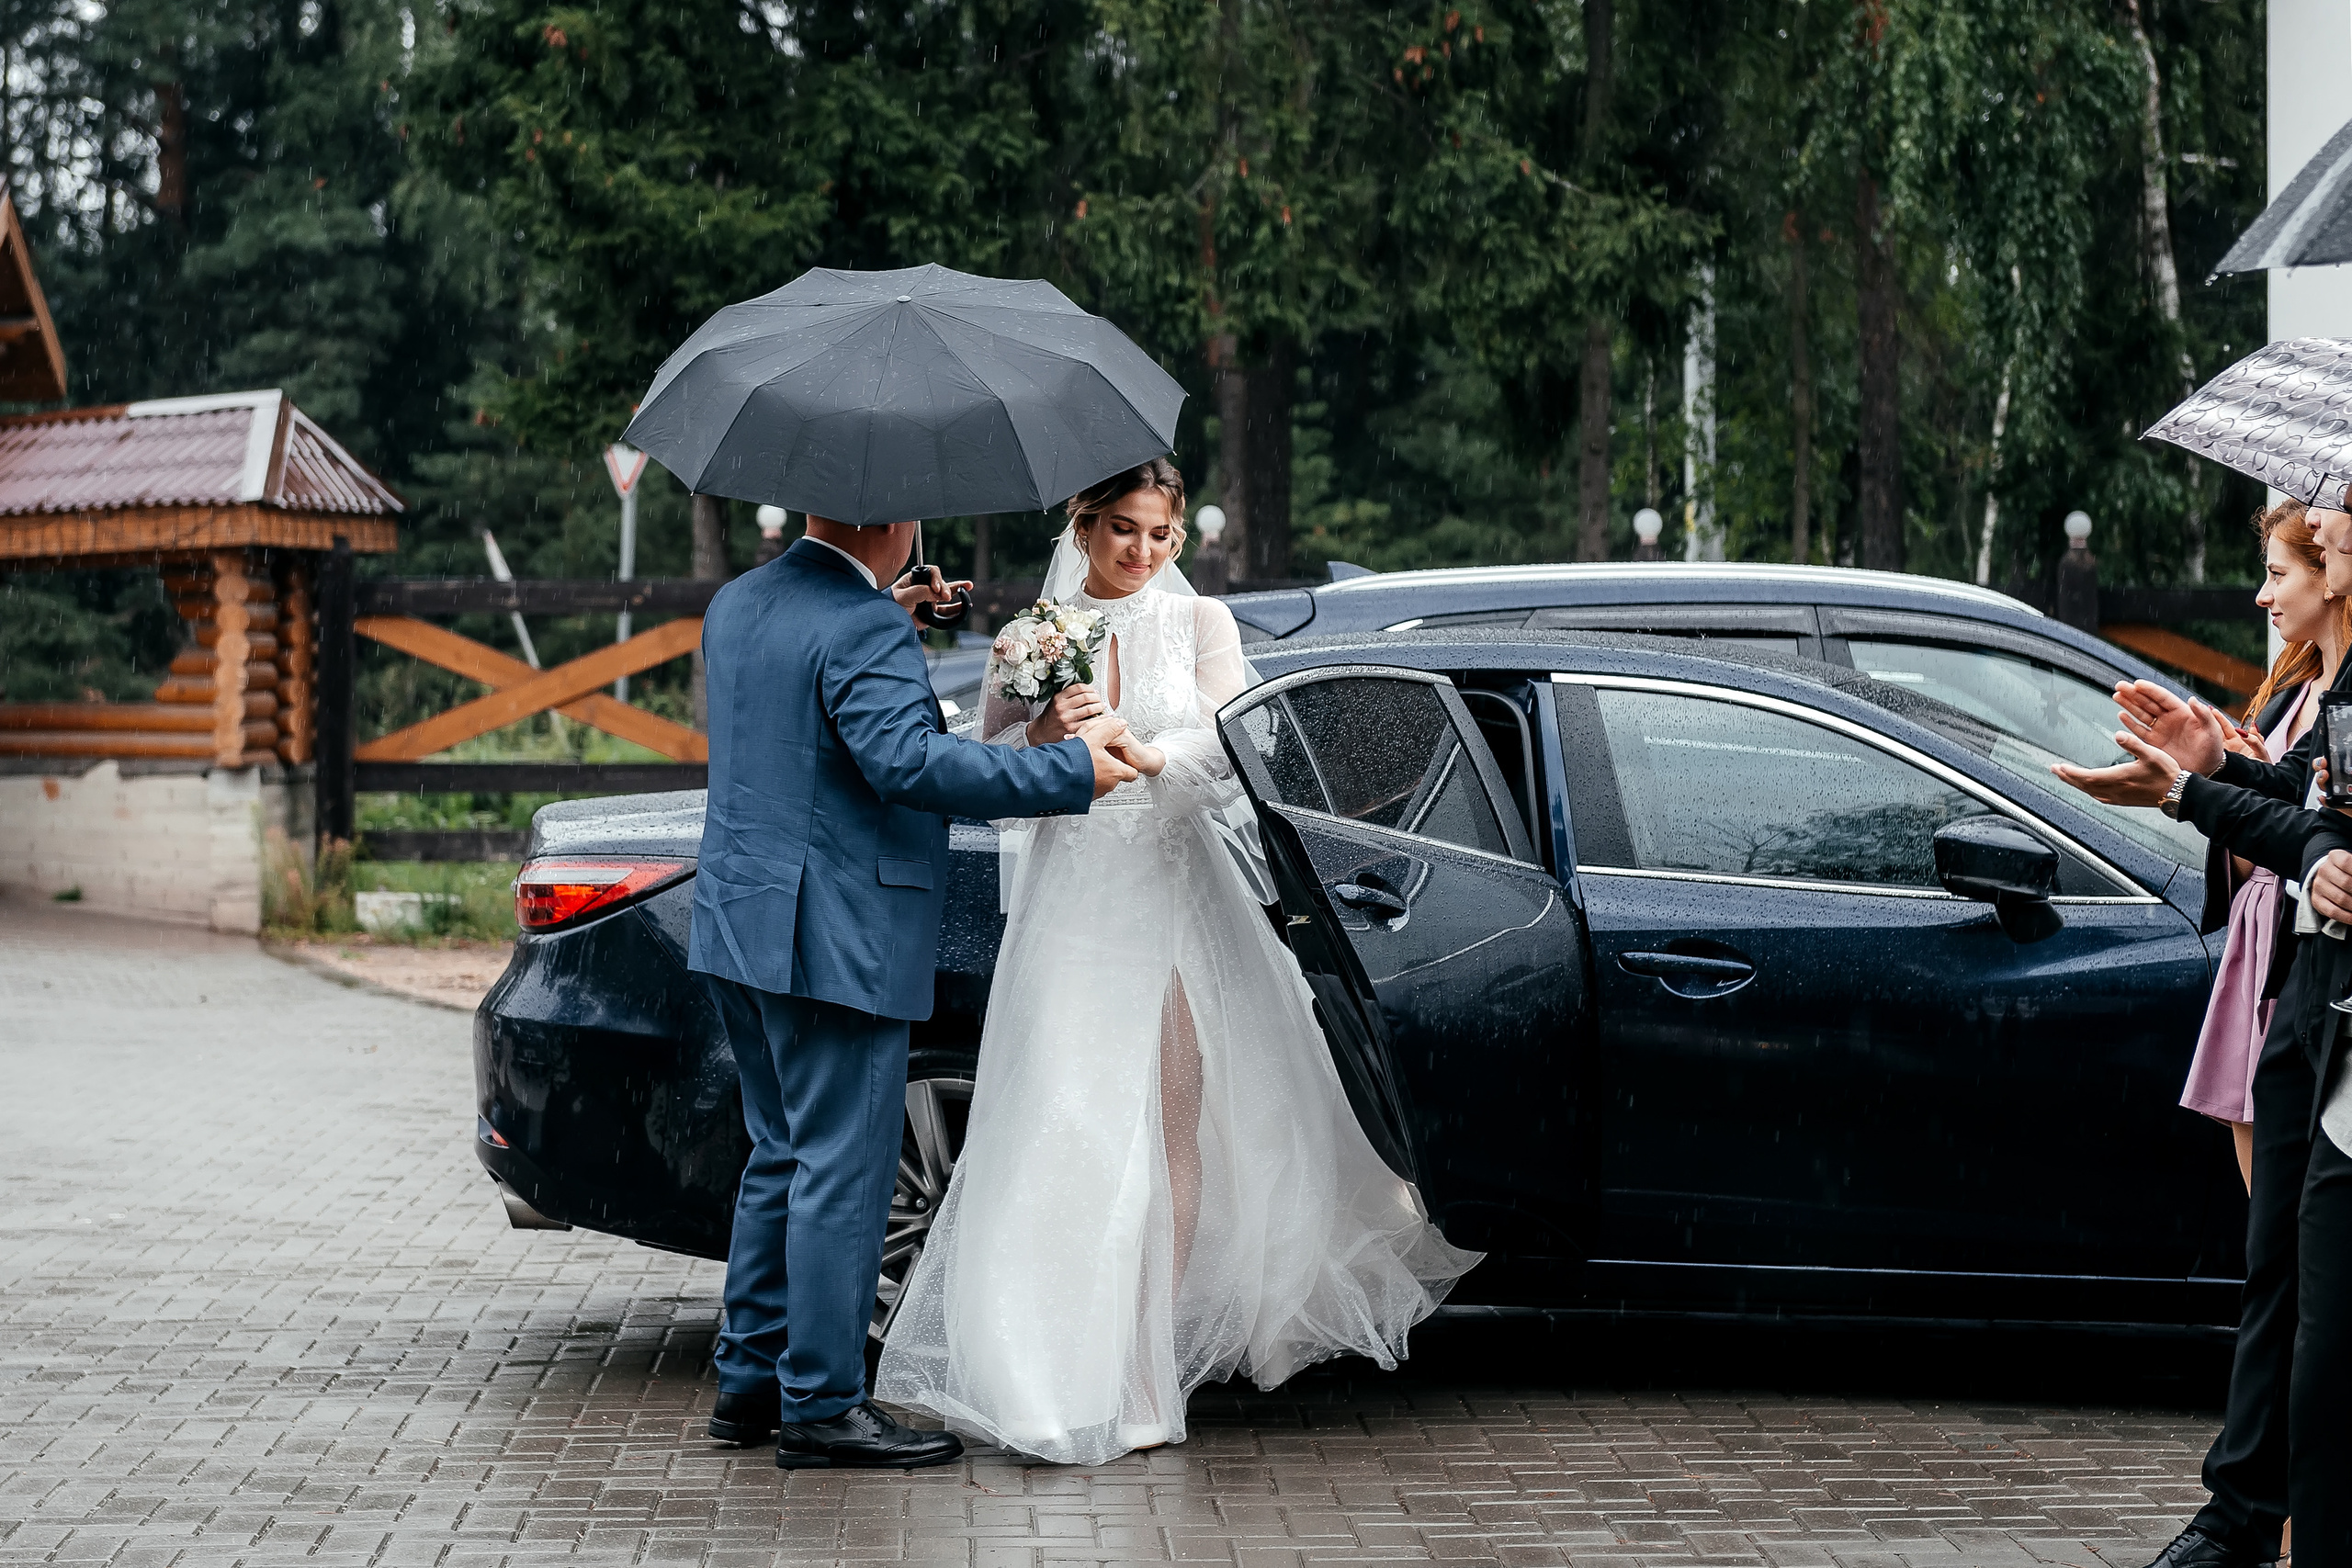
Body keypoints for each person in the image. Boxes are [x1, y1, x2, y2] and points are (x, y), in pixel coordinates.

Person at [873, 459, 1480, 1465]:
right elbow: (988, 765)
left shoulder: (1199, 626)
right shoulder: (1034, 635)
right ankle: (1047, 1368)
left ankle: (1149, 1372)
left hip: (1169, 889)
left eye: (1160, 536)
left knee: (1170, 1126)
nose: (1142, 552)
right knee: (1064, 1121)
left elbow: (1233, 753)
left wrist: (1148, 754)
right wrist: (1044, 728)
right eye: (1121, 531)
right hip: (1075, 900)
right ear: (1084, 523)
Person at [689, 513, 1140, 1472]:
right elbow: (908, 763)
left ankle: (750, 1382)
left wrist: (886, 614)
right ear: (897, 519)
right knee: (841, 1174)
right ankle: (821, 1405)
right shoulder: (863, 628)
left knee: (780, 1154)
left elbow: (804, 705)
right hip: (837, 936)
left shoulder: (740, 602)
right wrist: (1067, 769)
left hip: (744, 921)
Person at [2054, 500, 2352, 1568]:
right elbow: (2312, 812)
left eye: (2299, 558)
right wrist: (2213, 774)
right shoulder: (2323, 686)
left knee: (2320, 1308)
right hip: (2301, 987)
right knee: (2277, 1268)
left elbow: (2321, 832)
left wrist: (2193, 790)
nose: (2264, 591)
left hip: (2327, 997)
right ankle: (2240, 1514)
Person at [2183, 503, 2350, 1191]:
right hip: (2271, 949)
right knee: (2276, 1227)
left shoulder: (2329, 694)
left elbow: (2300, 823)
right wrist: (2229, 770)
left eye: (2278, 573)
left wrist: (2193, 789)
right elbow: (2286, 798)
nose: (2263, 594)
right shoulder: (2290, 687)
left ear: (2330, 578)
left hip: (2307, 954)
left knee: (2300, 1213)